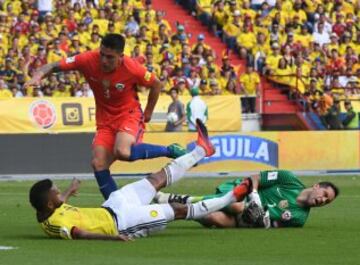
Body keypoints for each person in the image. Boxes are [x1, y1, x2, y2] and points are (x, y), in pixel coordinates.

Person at [24, 34, 187, 200]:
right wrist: (38, 76)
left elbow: (157, 84)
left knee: (122, 151)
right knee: (98, 163)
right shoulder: (87, 59)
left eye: (110, 57)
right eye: (102, 54)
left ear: (120, 57)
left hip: (128, 114)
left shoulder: (132, 68)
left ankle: (169, 150)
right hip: (105, 121)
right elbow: (53, 66)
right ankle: (117, 206)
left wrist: (148, 112)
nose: (103, 60)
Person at [29, 120, 252, 240]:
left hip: (113, 204)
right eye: (57, 193)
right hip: (123, 223)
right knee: (177, 209)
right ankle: (233, 196)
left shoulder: (49, 207)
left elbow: (59, 205)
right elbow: (79, 233)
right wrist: (114, 238)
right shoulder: (56, 224)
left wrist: (67, 191)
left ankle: (202, 150)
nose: (60, 194)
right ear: (49, 203)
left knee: (155, 180)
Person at [155, 170, 339, 228]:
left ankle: (172, 210)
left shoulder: (299, 218)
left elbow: (272, 226)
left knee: (213, 218)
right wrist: (255, 197)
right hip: (242, 192)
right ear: (316, 186)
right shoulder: (288, 179)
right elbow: (254, 178)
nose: (323, 200)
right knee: (236, 205)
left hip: (248, 220)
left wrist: (264, 221)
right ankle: (183, 199)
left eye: (327, 201)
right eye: (324, 194)